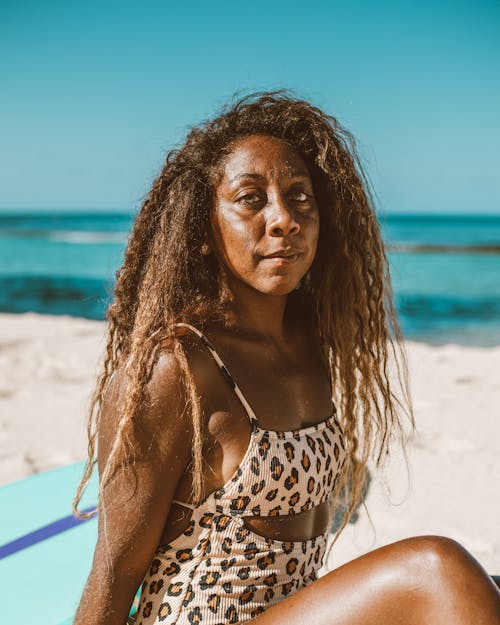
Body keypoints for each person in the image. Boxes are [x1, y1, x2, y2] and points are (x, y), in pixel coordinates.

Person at [73, 91, 500, 625]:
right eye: (251, 199)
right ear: (204, 229)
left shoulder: (311, 341)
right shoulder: (177, 368)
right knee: (439, 569)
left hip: (293, 609)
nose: (284, 219)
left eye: (300, 197)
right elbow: (112, 573)